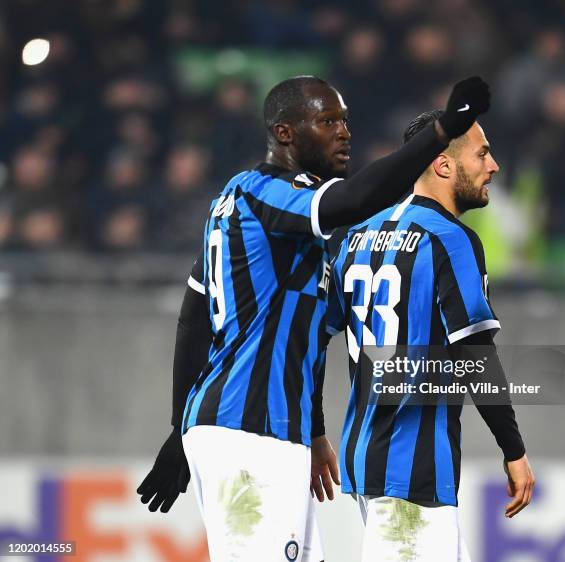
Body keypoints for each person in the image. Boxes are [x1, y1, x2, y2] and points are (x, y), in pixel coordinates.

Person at [137, 75, 491, 562]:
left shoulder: (240, 205)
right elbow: (354, 200)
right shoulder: (267, 193)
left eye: (345, 120)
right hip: (248, 432)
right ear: (285, 133)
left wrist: (310, 427)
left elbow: (196, 319)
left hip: (265, 430)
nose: (344, 132)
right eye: (327, 121)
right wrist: (441, 130)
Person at [326, 109, 535, 561]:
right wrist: (514, 450)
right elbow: (475, 353)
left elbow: (313, 338)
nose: (493, 165)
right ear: (443, 164)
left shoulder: (356, 236)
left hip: (366, 460)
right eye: (482, 153)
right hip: (413, 468)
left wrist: (313, 430)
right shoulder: (449, 237)